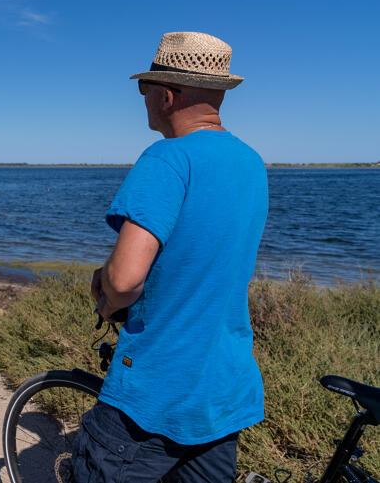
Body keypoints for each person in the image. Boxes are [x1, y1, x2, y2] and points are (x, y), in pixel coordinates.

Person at [72, 32, 269, 483]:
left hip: (155, 391)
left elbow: (124, 280)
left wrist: (104, 297)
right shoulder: (251, 162)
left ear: (166, 94)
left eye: (143, 89)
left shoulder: (167, 159)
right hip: (222, 390)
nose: (143, 100)